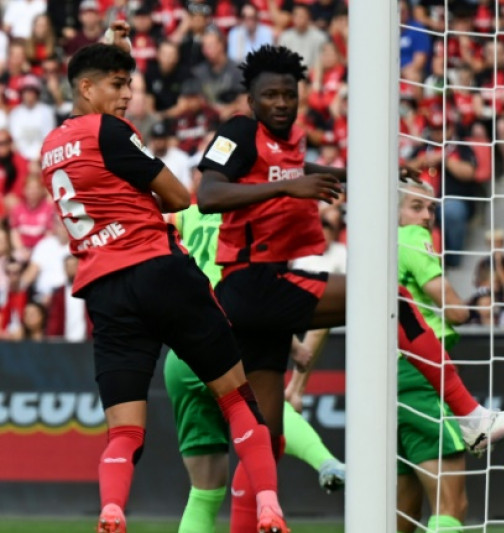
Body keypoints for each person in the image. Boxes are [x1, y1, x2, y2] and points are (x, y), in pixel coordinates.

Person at [195, 45, 504, 530]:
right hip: (252, 284)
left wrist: (373, 178)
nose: (282, 102)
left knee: (264, 442)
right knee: (385, 297)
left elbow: (297, 174)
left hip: (255, 300)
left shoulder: (282, 144)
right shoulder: (239, 131)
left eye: (289, 93)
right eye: (270, 95)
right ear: (250, 98)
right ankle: (470, 414)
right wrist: (287, 189)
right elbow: (208, 194)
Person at [39, 37, 288, 532]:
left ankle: (111, 509)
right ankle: (269, 505)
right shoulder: (108, 130)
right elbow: (176, 196)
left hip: (105, 289)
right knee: (239, 400)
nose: (128, 94)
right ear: (86, 88)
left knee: (124, 431)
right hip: (159, 271)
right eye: (117, 84)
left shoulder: (49, 148)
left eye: (129, 83)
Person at [163, 184, 344, 533]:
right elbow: (259, 293)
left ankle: (326, 463)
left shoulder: (186, 213)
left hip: (183, 351)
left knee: (203, 494)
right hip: (229, 333)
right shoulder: (254, 214)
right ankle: (326, 461)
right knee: (262, 414)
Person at [396, 181, 472, 533]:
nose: (426, 217)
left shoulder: (368, 249)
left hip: (386, 374)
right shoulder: (410, 238)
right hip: (420, 373)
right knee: (452, 503)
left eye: (429, 209)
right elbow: (455, 311)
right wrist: (472, 306)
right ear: (392, 212)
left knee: (401, 510)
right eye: (416, 207)